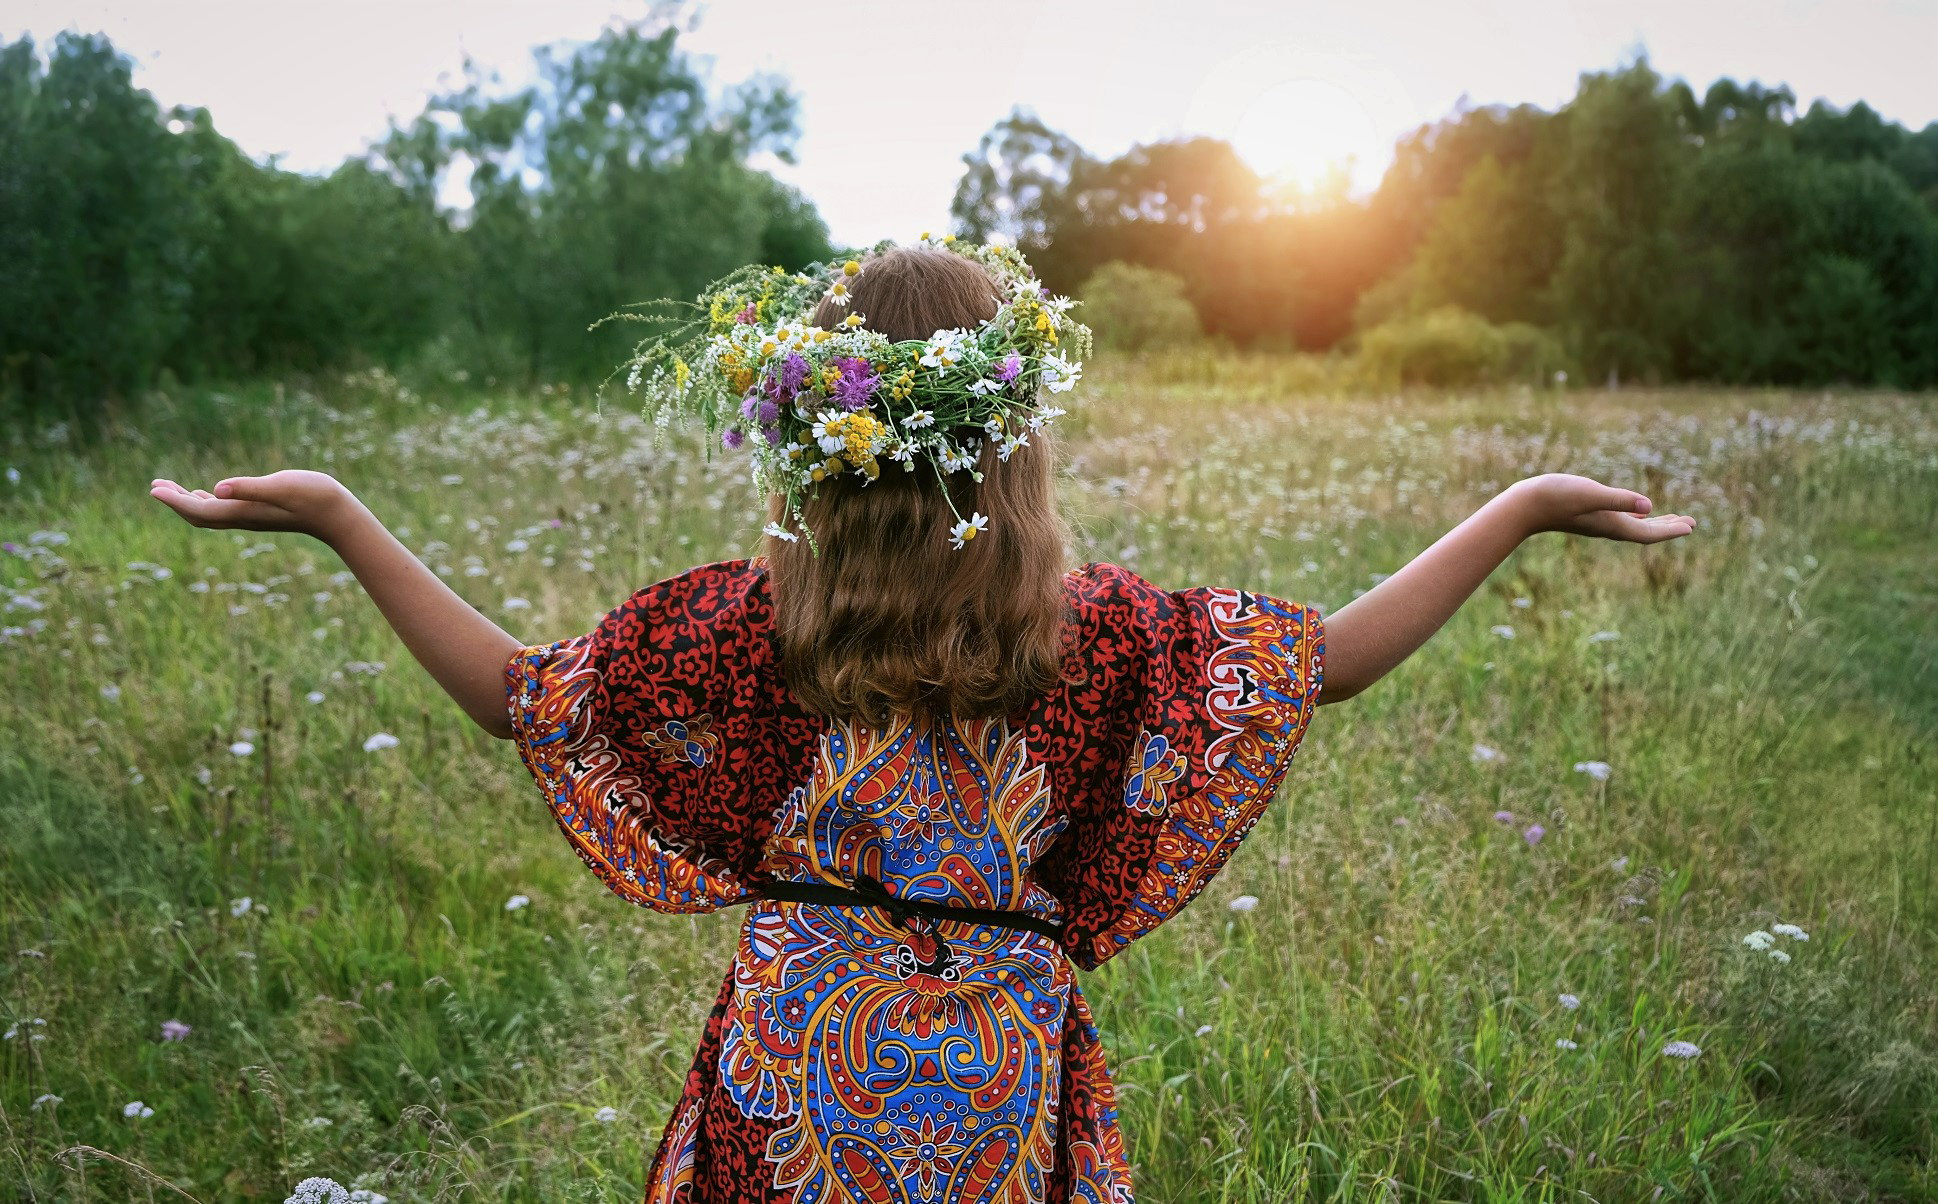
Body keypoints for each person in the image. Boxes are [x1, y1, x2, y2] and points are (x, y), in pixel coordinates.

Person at [150, 239, 1695, 1203]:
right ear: (1011, 444)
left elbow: (519, 698)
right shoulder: (1091, 639)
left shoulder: (738, 631)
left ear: (809, 445)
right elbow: (1326, 660)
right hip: (997, 1064)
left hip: (793, 1054)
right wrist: (1520, 506)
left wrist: (345, 517)